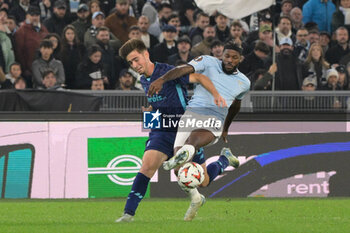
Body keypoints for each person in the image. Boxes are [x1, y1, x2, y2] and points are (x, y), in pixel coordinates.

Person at [116, 39, 227, 222]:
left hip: (185, 132)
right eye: (130, 63)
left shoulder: (169, 72)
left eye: (136, 59)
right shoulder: (143, 79)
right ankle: (128, 214)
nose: (134, 65)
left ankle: (223, 160)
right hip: (162, 130)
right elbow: (159, 101)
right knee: (148, 165)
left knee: (203, 180)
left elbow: (199, 77)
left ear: (146, 54)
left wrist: (216, 95)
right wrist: (151, 110)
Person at [147, 41, 250, 220]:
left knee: (192, 141)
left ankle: (184, 153)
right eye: (227, 56)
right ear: (222, 55)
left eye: (234, 57)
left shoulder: (244, 82)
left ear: (240, 59)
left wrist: (225, 128)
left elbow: (236, 105)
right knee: (189, 176)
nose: (229, 60)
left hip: (215, 118)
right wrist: (162, 79)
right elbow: (183, 69)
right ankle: (217, 170)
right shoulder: (207, 61)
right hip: (192, 114)